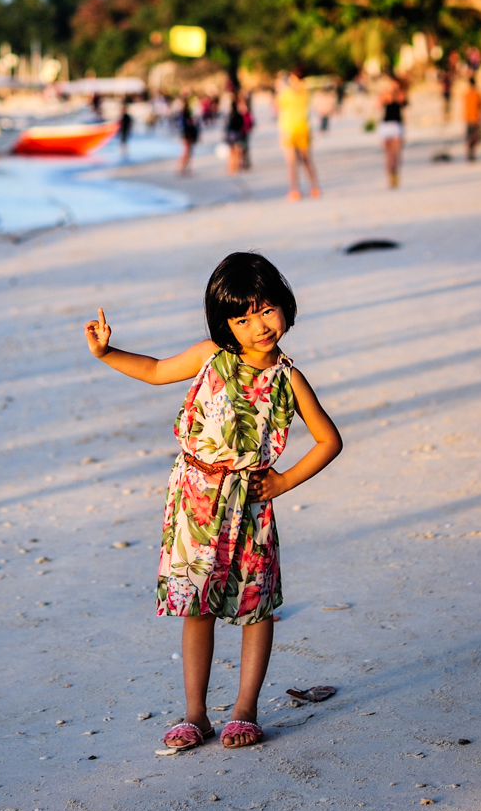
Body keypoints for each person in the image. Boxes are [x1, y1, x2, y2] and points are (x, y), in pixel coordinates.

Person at [84, 251, 342, 752]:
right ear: (225, 323)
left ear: (284, 306)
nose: (258, 326)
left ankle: (244, 709)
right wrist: (106, 354)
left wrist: (285, 482)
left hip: (250, 505)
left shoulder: (288, 379)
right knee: (196, 605)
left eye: (266, 310)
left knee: (254, 606)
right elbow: (158, 370)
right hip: (195, 501)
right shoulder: (210, 356)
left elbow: (328, 440)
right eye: (242, 318)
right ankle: (196, 714)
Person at [276, 68, 320, 200]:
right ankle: (314, 187)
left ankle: (294, 190)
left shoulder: (287, 92)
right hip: (303, 127)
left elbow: (278, 106)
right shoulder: (306, 91)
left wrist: (281, 88)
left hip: (290, 128)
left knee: (292, 162)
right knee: (306, 160)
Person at [379, 75, 407, 187]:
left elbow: (405, 105)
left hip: (397, 125)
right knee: (388, 153)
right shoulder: (384, 94)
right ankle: (389, 175)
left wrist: (399, 97)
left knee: (396, 153)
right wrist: (385, 97)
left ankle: (395, 173)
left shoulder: (401, 94)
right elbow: (379, 106)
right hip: (386, 125)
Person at [224, 91, 247, 174]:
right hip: (236, 135)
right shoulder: (237, 115)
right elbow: (241, 124)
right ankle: (234, 167)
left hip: (231, 135)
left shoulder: (231, 115)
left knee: (232, 152)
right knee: (236, 152)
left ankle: (232, 167)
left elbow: (228, 126)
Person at [177, 92, 199, 175]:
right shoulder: (185, 114)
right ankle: (183, 168)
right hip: (187, 135)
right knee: (187, 152)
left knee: (187, 152)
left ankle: (184, 168)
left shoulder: (184, 114)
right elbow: (188, 124)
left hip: (187, 134)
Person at [463, 74, 481, 161]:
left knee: (471, 138)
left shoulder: (468, 94)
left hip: (470, 118)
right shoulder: (476, 95)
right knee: (474, 138)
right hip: (474, 119)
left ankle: (471, 153)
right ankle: (471, 153)